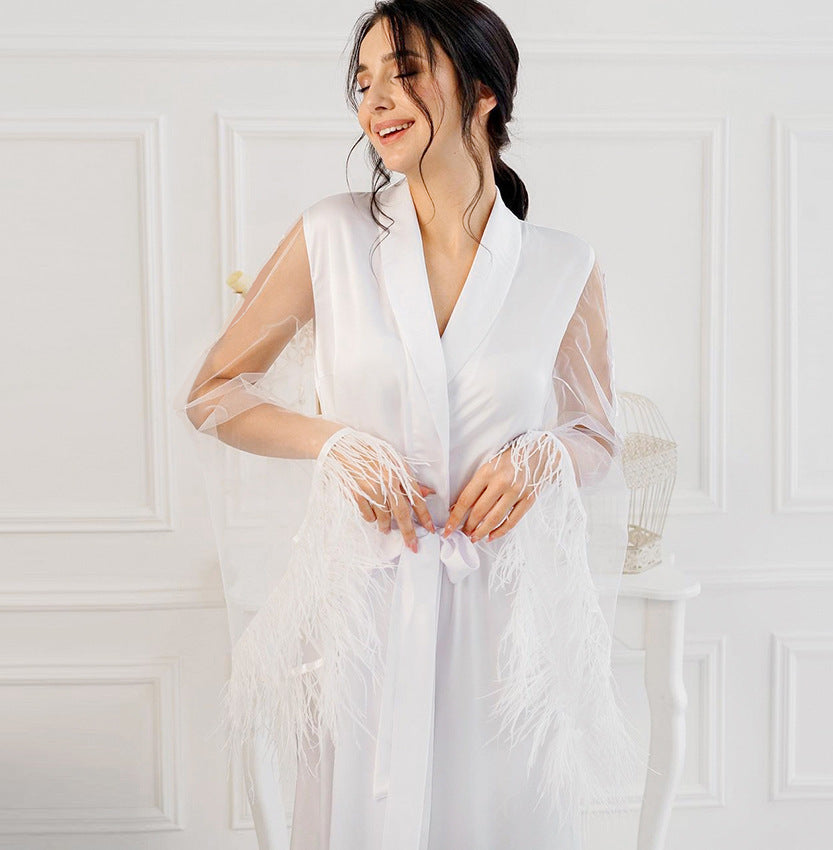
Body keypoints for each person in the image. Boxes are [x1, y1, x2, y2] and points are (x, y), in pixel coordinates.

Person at [173, 1, 648, 848]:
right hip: (366, 613)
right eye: (364, 83)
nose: (377, 101)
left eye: (405, 72)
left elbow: (597, 434)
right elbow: (214, 392)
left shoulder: (561, 265)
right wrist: (333, 443)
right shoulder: (332, 235)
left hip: (502, 629)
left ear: (484, 92)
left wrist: (541, 458)